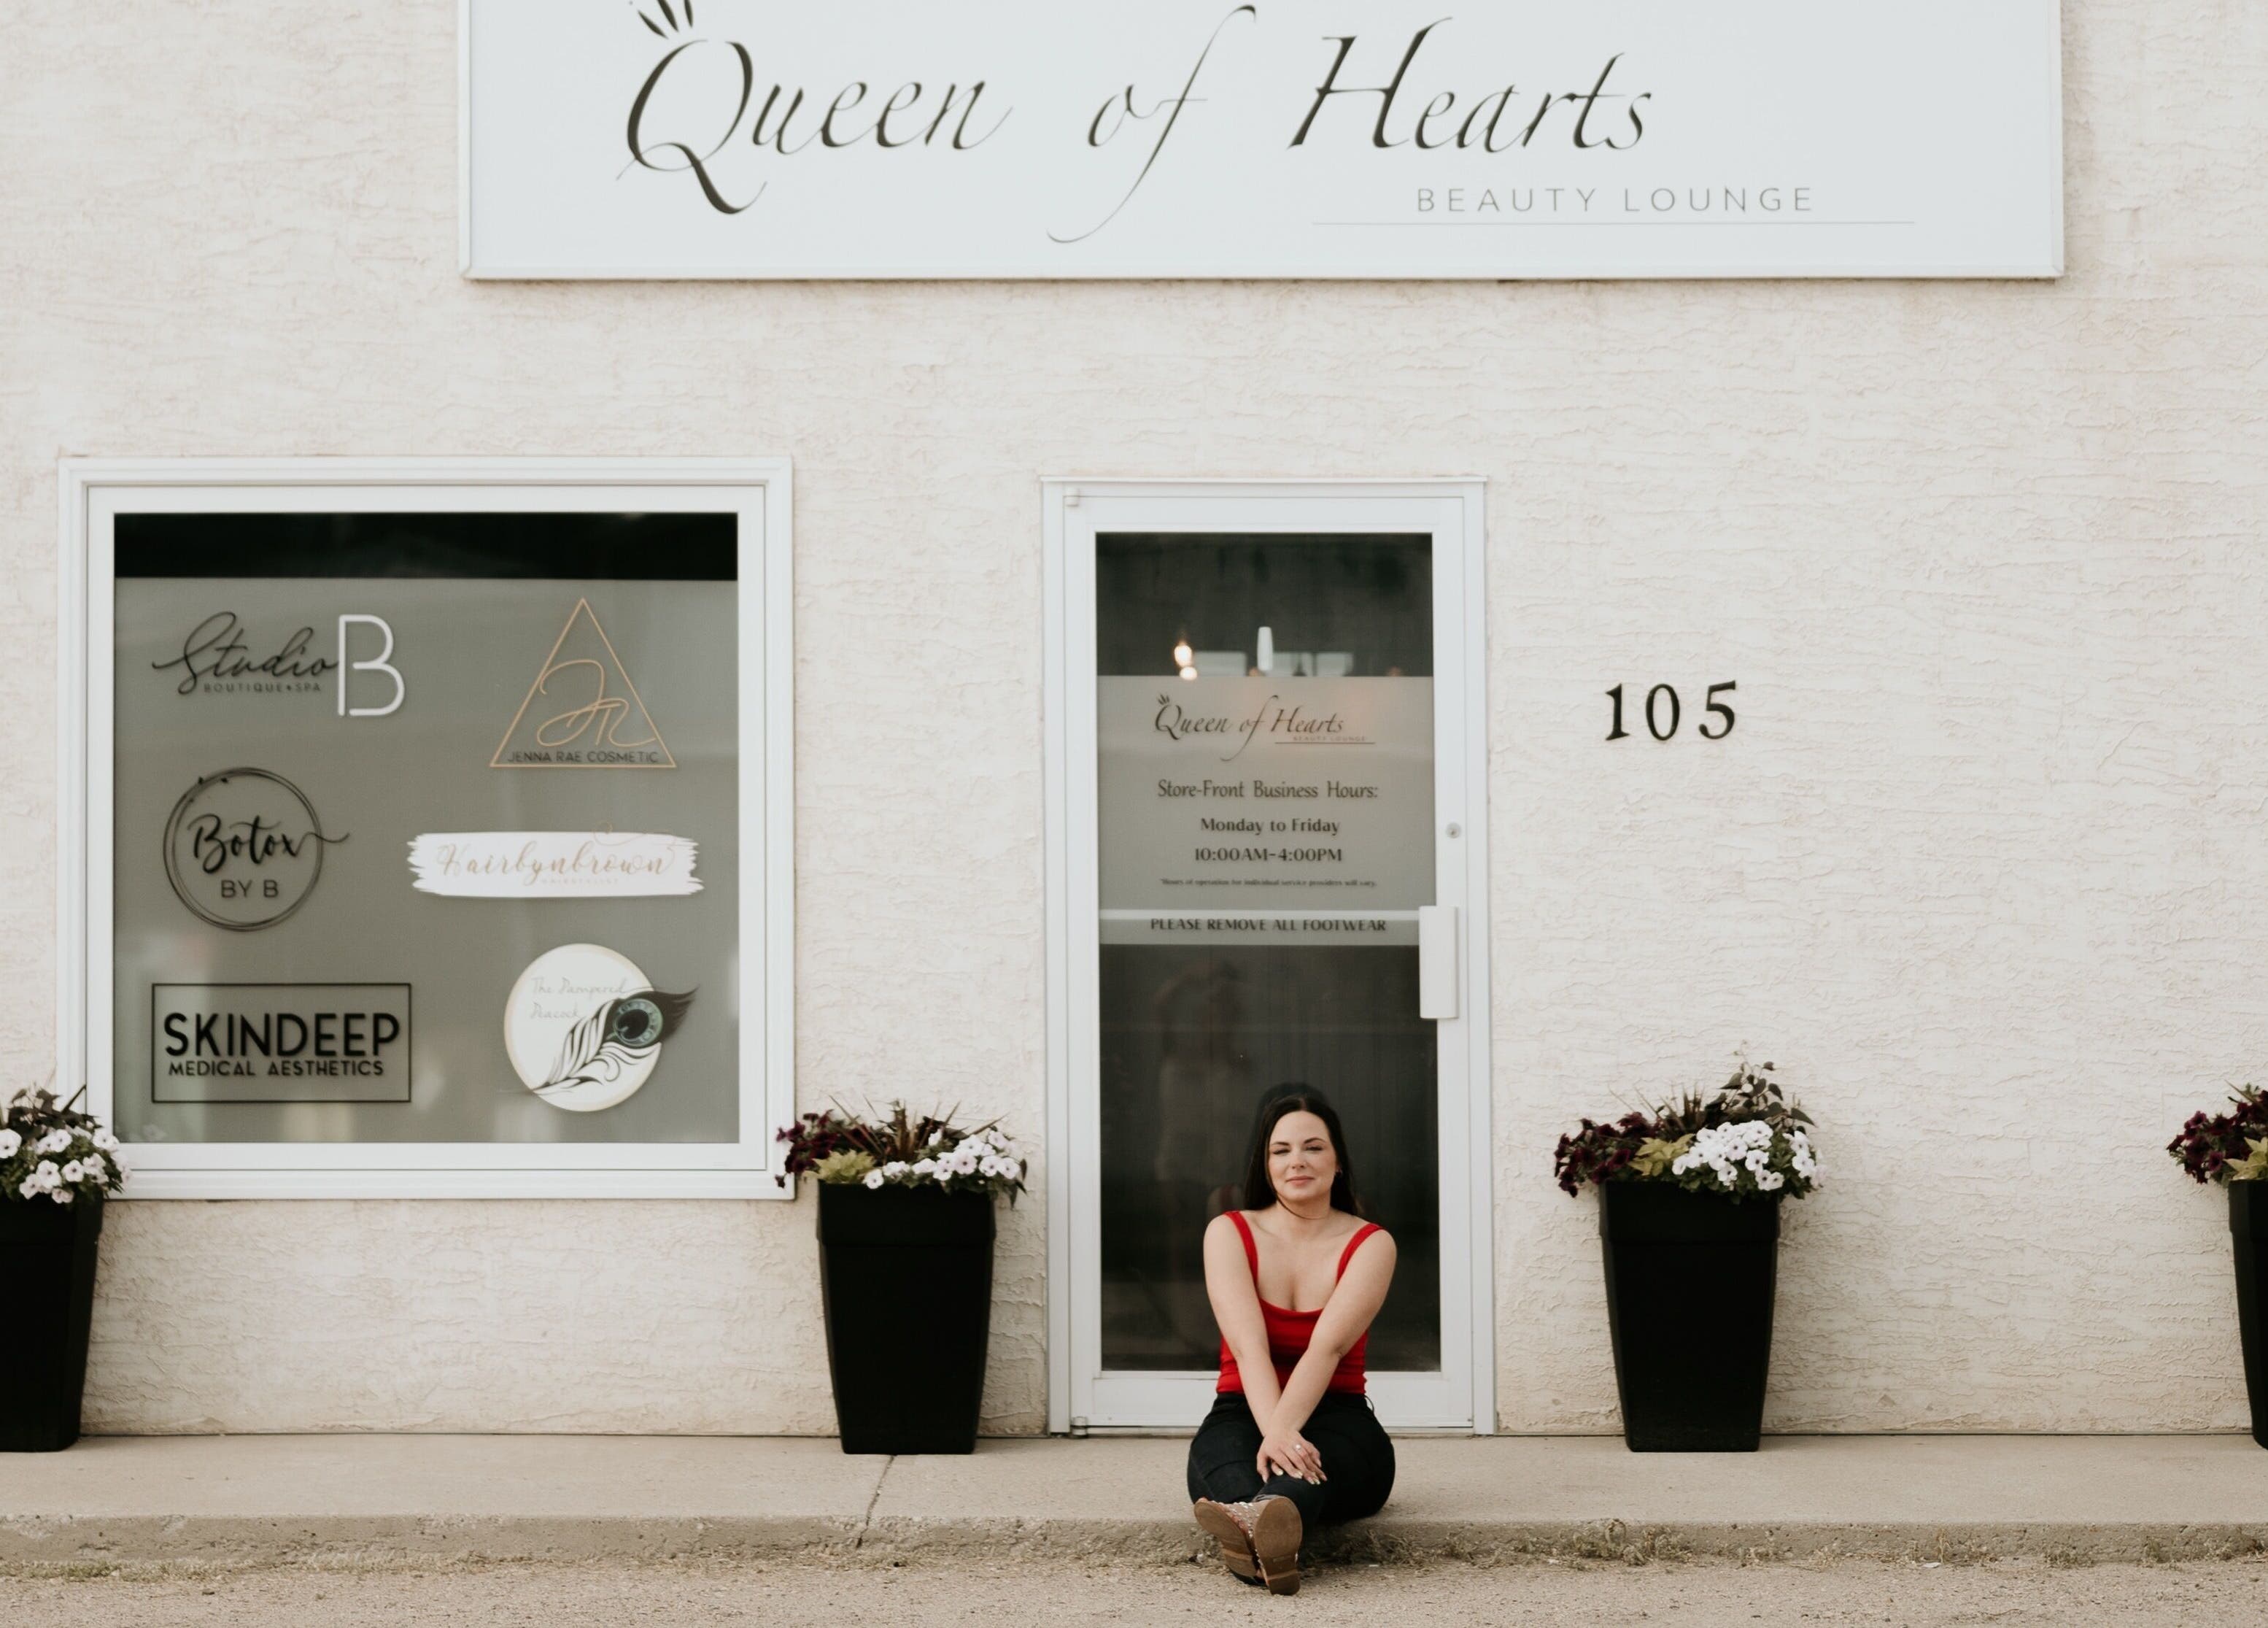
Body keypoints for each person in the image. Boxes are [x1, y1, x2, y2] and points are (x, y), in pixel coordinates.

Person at [1185, 1088, 1397, 1595]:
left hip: (1338, 1413)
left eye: (1313, 1147)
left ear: (1338, 1160)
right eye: (1280, 1150)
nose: (1296, 1161)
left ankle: (1252, 1531)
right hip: (1241, 1407)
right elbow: (1247, 1347)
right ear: (1264, 1163)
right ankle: (1268, 1531)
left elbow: (1326, 1349)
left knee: (1302, 1472)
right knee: (1233, 1472)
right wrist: (1276, 1433)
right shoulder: (1228, 1231)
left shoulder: (1370, 1242)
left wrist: (1281, 1434)